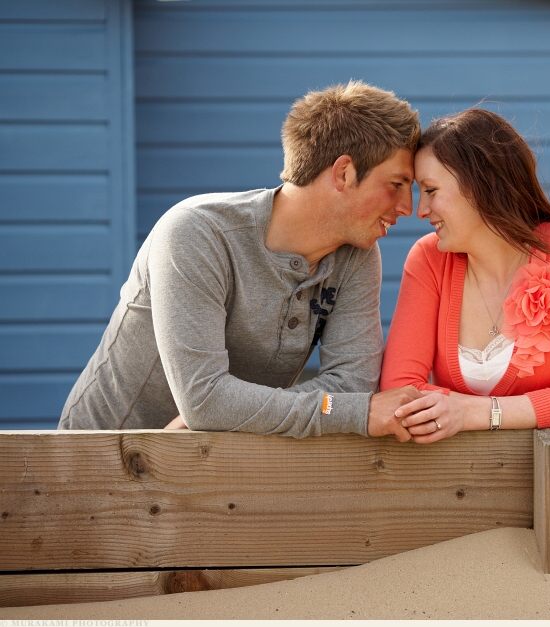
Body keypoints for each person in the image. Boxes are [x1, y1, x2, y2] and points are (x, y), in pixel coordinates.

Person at [59, 81, 421, 441]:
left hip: (220, 465)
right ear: (343, 173)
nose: (407, 207)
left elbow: (351, 385)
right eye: (397, 184)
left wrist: (231, 414)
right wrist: (342, 412)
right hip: (97, 464)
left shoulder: (356, 256)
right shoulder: (196, 232)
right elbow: (206, 401)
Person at [380, 108, 550, 444]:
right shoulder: (428, 259)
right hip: (457, 481)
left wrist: (469, 412)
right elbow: (399, 390)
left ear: (479, 185)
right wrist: (547, 408)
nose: (421, 210)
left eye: (430, 191)